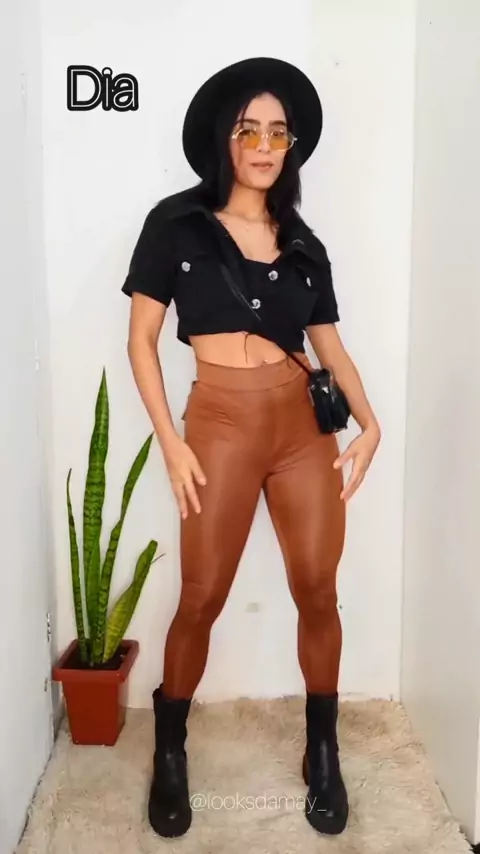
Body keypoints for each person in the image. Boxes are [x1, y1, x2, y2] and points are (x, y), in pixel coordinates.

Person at [121, 56, 381, 839]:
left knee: (317, 588)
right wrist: (172, 442)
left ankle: (322, 750)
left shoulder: (302, 242)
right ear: (224, 139)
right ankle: (171, 749)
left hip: (302, 429)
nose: (265, 146)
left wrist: (371, 423)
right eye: (249, 131)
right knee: (202, 595)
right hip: (220, 424)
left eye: (278, 133)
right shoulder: (177, 224)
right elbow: (141, 341)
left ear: (291, 145)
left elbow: (330, 348)